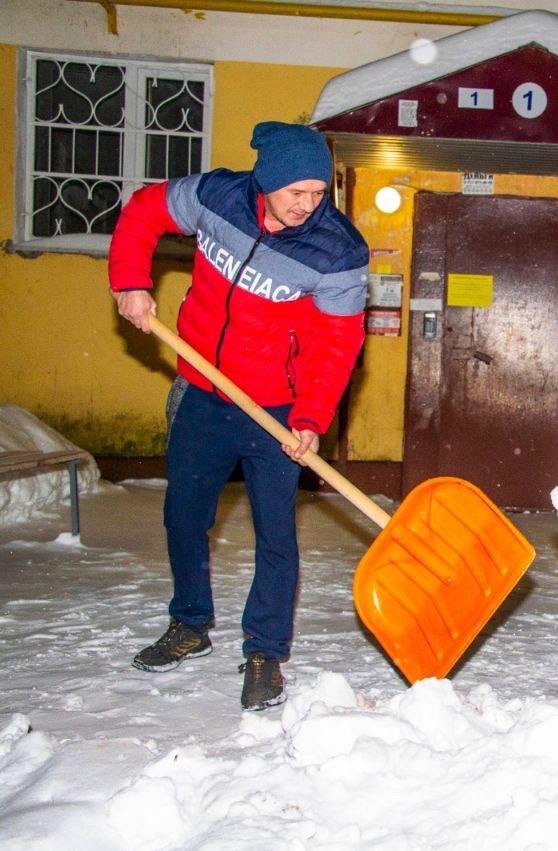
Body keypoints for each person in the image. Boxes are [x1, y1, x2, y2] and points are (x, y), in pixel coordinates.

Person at [109, 121, 369, 710]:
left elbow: (337, 345)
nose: (309, 206)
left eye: (319, 193)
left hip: (274, 407)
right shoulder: (216, 197)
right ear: (266, 181)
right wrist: (129, 280)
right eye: (296, 193)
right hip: (202, 392)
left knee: (276, 534)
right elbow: (145, 210)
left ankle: (265, 651)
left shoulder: (338, 250)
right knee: (183, 516)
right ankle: (191, 623)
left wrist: (308, 418)